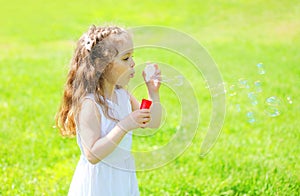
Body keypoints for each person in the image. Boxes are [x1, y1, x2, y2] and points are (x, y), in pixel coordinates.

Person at [55, 25, 162, 196]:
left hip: (122, 174)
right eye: (126, 58)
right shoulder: (90, 104)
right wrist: (124, 125)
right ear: (102, 65)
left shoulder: (123, 95)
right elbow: (93, 154)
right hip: (100, 182)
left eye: (132, 56)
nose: (133, 63)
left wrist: (153, 93)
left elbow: (153, 123)